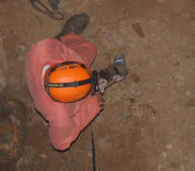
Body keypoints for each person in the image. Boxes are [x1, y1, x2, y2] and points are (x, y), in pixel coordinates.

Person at [23, 14, 127, 151]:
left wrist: (65, 47)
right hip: (62, 77)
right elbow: (60, 144)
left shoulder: (41, 51)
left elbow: (59, 49)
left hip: (52, 61)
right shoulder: (61, 116)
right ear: (72, 100)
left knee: (90, 49)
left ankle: (66, 36)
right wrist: (92, 105)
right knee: (89, 52)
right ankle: (104, 78)